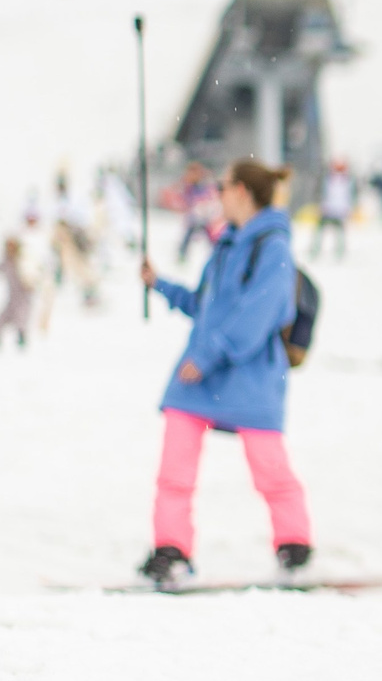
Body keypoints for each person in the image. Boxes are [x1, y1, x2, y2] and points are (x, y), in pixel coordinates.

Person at [135, 159, 312, 588]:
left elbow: (259, 315)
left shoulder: (272, 248)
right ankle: (171, 550)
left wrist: (211, 355)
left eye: (224, 185)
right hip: (201, 374)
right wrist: (160, 285)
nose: (217, 192)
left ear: (243, 193)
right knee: (174, 468)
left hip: (246, 376)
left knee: (269, 469)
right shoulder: (228, 244)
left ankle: (296, 548)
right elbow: (207, 305)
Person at [50, 171, 102, 310]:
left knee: (83, 270)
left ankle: (91, 294)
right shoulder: (56, 203)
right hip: (66, 243)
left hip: (76, 240)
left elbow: (81, 219)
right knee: (74, 269)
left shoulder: (73, 200)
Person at [0, 235, 37, 349]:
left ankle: (22, 342)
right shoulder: (6, 262)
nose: (10, 249)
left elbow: (33, 276)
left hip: (23, 299)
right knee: (0, 320)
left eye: (12, 246)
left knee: (21, 320)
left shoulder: (23, 261)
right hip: (12, 298)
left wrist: (30, 284)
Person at [313, 157, 356, 260]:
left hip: (340, 210)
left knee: (340, 233)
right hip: (327, 208)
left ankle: (340, 253)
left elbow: (351, 195)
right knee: (320, 231)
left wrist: (349, 208)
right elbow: (320, 192)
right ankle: (315, 251)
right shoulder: (327, 179)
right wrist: (321, 204)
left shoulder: (348, 180)